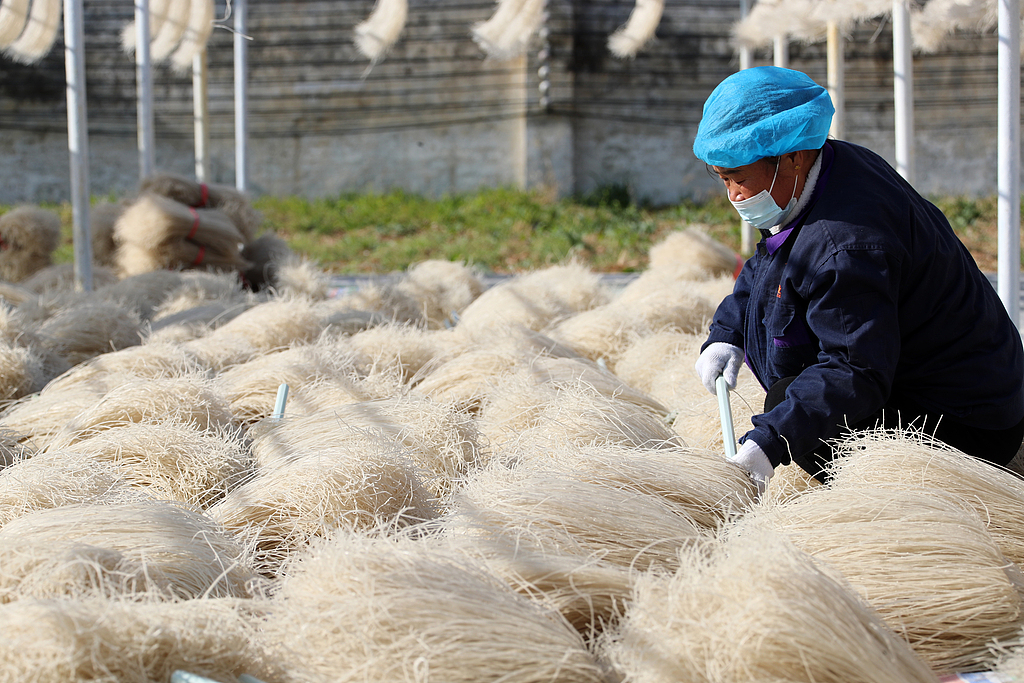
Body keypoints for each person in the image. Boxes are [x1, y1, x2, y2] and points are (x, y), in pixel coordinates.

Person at [692, 65, 1024, 491]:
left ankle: (902, 497)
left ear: (791, 157)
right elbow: (773, 258)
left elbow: (856, 368)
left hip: (969, 423)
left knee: (790, 404)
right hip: (970, 388)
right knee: (797, 398)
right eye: (723, 179)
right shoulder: (827, 167)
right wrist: (728, 331)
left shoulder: (845, 245)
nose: (734, 195)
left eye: (739, 178)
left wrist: (769, 442)